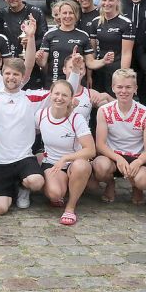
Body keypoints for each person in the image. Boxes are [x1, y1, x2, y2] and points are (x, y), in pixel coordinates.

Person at [0, 30, 84, 216]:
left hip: (23, 158)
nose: (11, 78)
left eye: (16, 75)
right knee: (1, 209)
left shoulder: (32, 97)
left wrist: (75, 72)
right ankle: (10, 188)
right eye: (8, 73)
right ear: (3, 74)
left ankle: (23, 186)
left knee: (36, 181)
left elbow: (64, 91)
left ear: (23, 77)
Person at [91, 68, 146, 205]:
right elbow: (100, 144)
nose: (123, 91)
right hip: (112, 156)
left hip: (137, 157)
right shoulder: (104, 110)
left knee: (143, 181)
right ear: (113, 88)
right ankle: (110, 183)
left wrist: (138, 162)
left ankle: (137, 187)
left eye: (128, 87)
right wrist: (118, 158)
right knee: (100, 167)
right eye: (119, 87)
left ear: (135, 88)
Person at [36, 79, 96, 226]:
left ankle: (70, 207)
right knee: (55, 194)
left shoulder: (76, 118)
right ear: (50, 94)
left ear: (71, 99)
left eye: (64, 95)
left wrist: (66, 158)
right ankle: (66, 187)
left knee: (81, 166)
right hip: (51, 163)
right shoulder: (40, 114)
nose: (59, 98)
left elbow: (91, 150)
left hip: (72, 164)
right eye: (56, 93)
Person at [86, 0, 134, 94]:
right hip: (99, 70)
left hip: (116, 70)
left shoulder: (126, 23)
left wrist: (123, 77)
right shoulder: (95, 22)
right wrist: (89, 75)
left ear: (117, 1)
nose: (107, 3)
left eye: (111, 0)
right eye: (104, 0)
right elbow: (91, 53)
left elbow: (126, 53)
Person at [37, 0, 93, 88]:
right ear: (60, 15)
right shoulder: (49, 34)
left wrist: (104, 61)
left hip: (77, 85)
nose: (67, 16)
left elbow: (90, 63)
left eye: (71, 13)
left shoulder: (83, 35)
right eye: (64, 13)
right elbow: (42, 63)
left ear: (76, 15)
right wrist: (38, 58)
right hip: (54, 84)